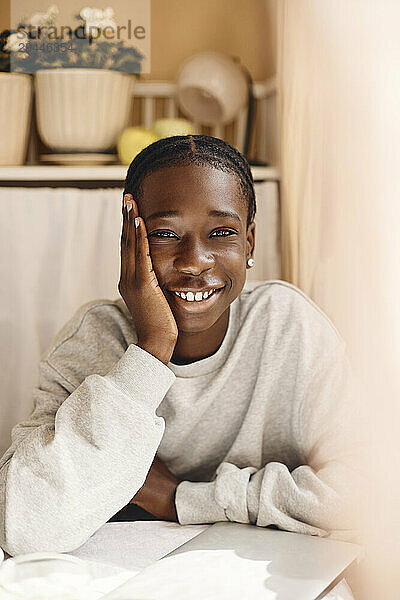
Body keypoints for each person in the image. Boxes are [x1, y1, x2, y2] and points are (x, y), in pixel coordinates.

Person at [0, 135, 359, 557]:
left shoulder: (287, 325)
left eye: (222, 232)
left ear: (250, 242)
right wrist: (152, 349)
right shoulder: (91, 340)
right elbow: (24, 525)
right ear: (130, 239)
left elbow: (371, 494)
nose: (194, 260)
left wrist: (180, 499)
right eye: (166, 234)